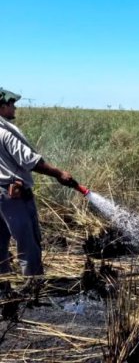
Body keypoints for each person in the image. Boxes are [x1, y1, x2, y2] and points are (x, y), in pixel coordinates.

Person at [0, 87, 80, 300]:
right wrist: (58, 173)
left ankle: (3, 289)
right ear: (2, 106)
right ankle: (33, 291)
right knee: (28, 244)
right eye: (11, 104)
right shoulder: (6, 133)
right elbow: (30, 161)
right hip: (13, 198)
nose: (14, 107)